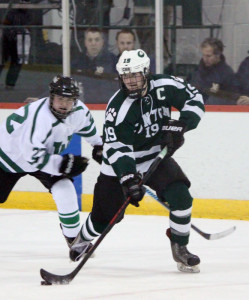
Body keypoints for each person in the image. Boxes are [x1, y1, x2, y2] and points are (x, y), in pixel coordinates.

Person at [69, 49, 205, 273]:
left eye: (135, 75)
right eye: (125, 75)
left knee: (181, 196)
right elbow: (116, 148)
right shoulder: (118, 108)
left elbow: (194, 98)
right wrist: (129, 178)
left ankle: (180, 247)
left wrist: (183, 124)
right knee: (106, 217)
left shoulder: (164, 85)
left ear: (146, 73)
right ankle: (82, 239)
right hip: (120, 165)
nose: (130, 81)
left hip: (154, 156)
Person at [0, 75, 103, 252]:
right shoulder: (40, 119)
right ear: (51, 98)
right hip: (9, 157)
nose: (64, 104)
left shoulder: (79, 113)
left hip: (44, 156)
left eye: (69, 100)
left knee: (65, 188)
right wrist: (62, 165)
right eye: (60, 99)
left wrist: (100, 148)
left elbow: (92, 134)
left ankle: (75, 241)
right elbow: (32, 156)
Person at [188, 37, 238, 105]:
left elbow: (232, 98)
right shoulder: (196, 72)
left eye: (208, 56)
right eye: (203, 55)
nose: (205, 59)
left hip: (215, 112)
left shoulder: (227, 74)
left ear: (218, 55)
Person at [0, 6, 31, 89]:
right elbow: (5, 22)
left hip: (20, 41)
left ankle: (10, 83)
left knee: (16, 62)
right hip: (7, 40)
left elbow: (28, 26)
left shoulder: (27, 14)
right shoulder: (12, 12)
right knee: (1, 61)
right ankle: (10, 83)